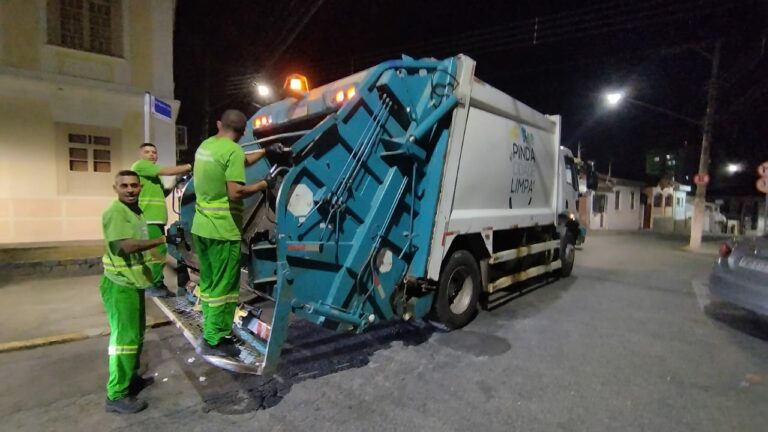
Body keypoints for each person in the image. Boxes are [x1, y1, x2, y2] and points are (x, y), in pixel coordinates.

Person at [191, 109, 287, 358]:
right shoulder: (232, 151)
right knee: (225, 288)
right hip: (222, 230)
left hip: (201, 227)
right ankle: (215, 339)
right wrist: (264, 185)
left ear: (219, 123)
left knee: (211, 285)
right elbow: (235, 192)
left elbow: (238, 162)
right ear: (243, 132)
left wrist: (266, 151)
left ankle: (209, 332)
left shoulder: (207, 146)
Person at [100, 170, 170, 414]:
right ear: (115, 188)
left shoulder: (136, 212)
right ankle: (116, 395)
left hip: (133, 283)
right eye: (124, 186)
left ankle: (130, 380)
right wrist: (162, 240)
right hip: (120, 285)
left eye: (133, 186)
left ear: (140, 188)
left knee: (136, 335)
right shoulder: (116, 212)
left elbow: (141, 251)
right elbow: (127, 246)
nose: (129, 189)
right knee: (123, 341)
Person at [130, 143, 193, 297]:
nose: (151, 154)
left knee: (161, 251)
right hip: (148, 219)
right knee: (156, 253)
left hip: (155, 220)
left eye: (154, 152)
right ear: (141, 155)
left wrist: (175, 183)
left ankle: (159, 284)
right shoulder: (140, 166)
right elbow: (166, 170)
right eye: (147, 152)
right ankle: (153, 286)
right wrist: (190, 166)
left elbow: (162, 194)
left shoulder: (152, 178)